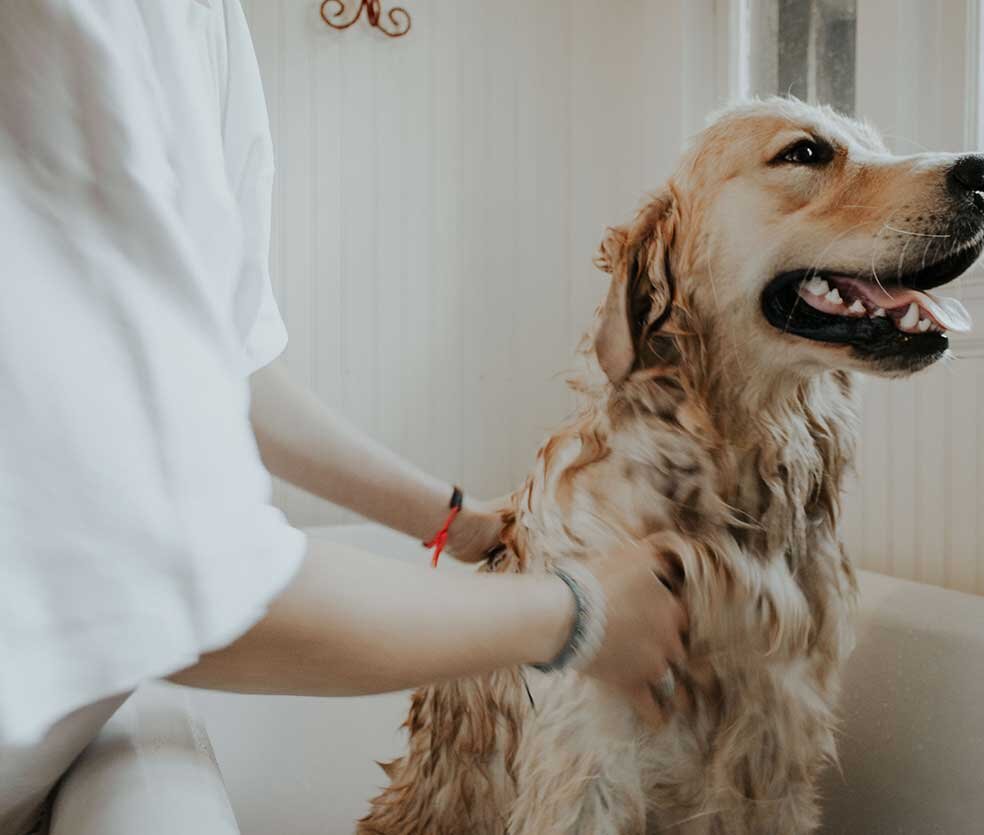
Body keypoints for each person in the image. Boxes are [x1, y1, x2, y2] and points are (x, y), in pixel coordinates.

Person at [0, 3, 687, 834]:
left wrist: (456, 520)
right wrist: (574, 615)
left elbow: (223, 370)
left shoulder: (203, 21)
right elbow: (166, 575)